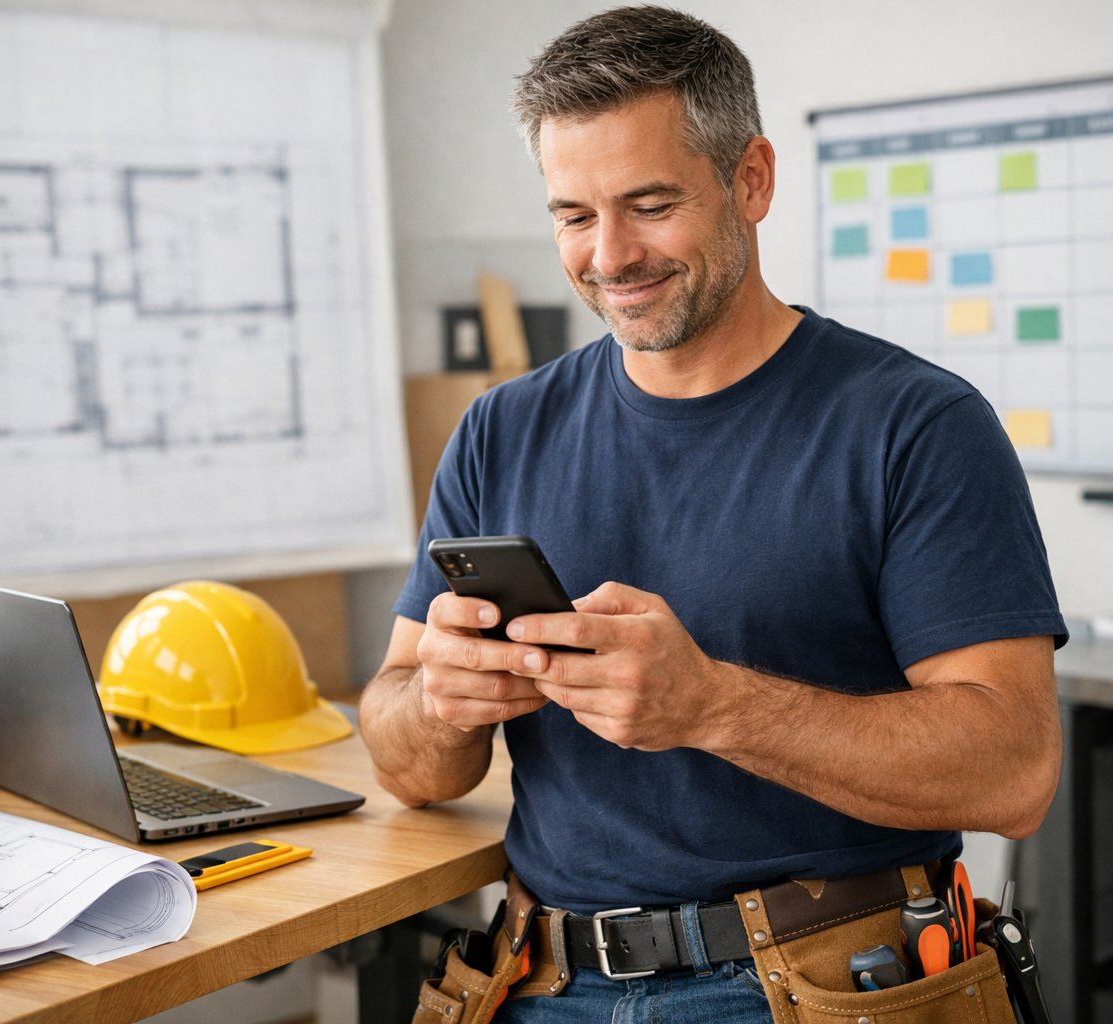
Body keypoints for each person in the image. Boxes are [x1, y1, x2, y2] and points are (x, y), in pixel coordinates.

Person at [360, 6, 1066, 1021]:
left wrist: (713, 706)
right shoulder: (498, 430)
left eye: (650, 204)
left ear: (753, 178)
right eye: (572, 214)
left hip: (824, 983)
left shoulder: (917, 425)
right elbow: (406, 754)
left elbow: (1017, 770)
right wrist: (441, 700)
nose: (609, 255)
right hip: (541, 977)